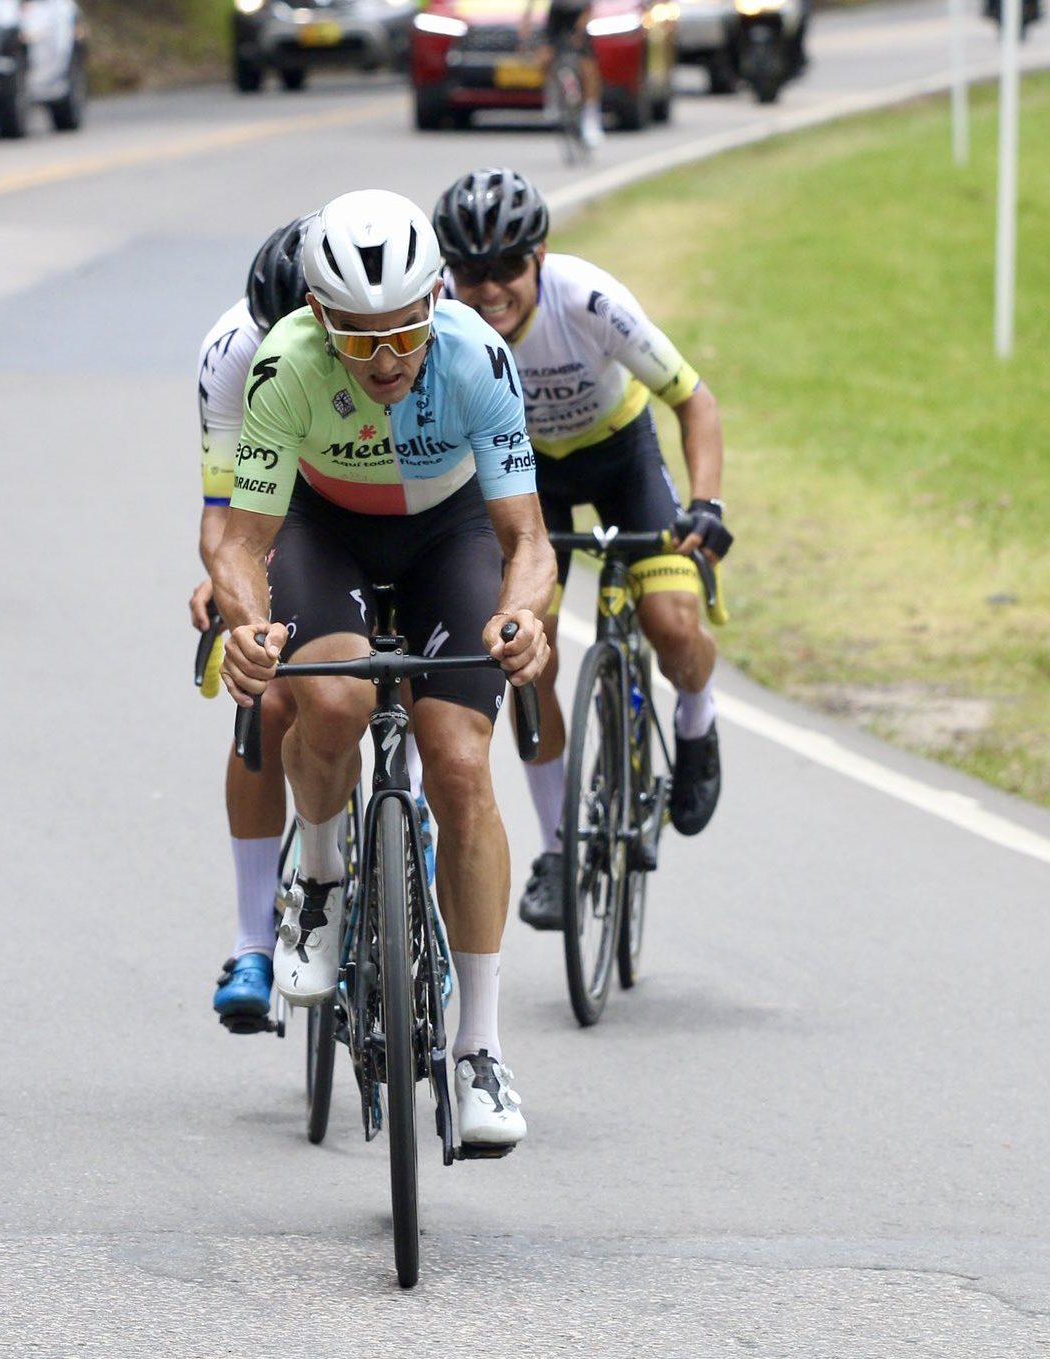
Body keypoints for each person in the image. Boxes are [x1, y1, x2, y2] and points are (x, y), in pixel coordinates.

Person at [210, 189, 554, 1148]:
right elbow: (243, 546)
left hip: (447, 534)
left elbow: (525, 535)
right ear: (319, 319)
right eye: (359, 342)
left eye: (405, 330)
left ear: (437, 298)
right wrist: (245, 628)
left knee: (455, 761)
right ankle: (318, 880)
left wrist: (522, 614)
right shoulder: (285, 366)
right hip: (331, 533)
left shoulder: (476, 354)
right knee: (331, 695)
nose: (389, 360)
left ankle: (480, 1049)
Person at [433, 167, 731, 928]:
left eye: (506, 267)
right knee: (528, 660)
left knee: (670, 623)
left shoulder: (586, 299)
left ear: (539, 258)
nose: (489, 288)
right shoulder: (443, 320)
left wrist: (705, 504)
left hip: (620, 456)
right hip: (529, 477)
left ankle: (696, 721)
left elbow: (693, 400)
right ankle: (560, 848)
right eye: (470, 271)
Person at [193, 216, 312, 1032]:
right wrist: (234, 599)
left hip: (383, 499)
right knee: (265, 705)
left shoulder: (388, 341)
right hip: (281, 515)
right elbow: (219, 514)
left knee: (408, 677)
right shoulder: (230, 351)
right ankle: (252, 940)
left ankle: (416, 888)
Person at [521, 0, 604, 149]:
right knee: (545, 56)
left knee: (587, 64)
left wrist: (581, 27)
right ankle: (551, 98)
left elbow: (590, 7)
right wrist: (526, 21)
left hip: (580, 11)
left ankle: (591, 116)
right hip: (558, 13)